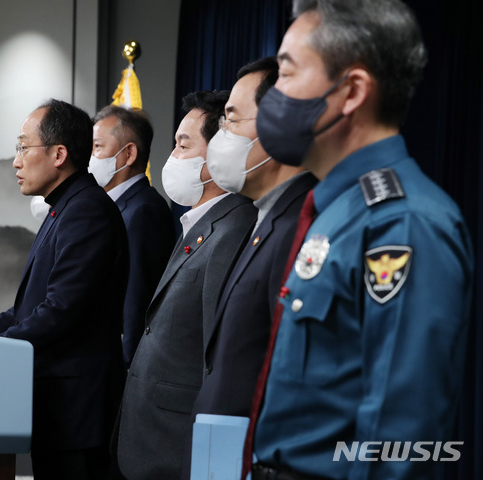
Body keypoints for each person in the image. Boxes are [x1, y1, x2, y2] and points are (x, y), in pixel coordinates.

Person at [245, 1, 474, 479]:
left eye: (286, 74)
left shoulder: (402, 224)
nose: (274, 95)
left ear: (351, 92)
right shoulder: (339, 209)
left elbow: (402, 443)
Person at [0, 99, 129, 480]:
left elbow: (58, 314)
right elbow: (22, 313)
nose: (15, 161)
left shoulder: (86, 212)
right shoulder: (62, 207)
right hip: (57, 408)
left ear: (58, 154)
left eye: (22, 147)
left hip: (76, 412)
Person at [184, 56, 317, 477]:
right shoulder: (266, 217)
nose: (221, 136)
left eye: (231, 120)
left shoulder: (301, 224)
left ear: (279, 124)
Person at [115, 90, 257, 480]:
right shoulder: (196, 224)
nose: (173, 156)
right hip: (149, 438)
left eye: (183, 144)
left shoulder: (234, 228)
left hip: (177, 445)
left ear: (218, 155)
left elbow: (219, 359)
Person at [91, 106, 175, 368]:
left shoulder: (143, 210)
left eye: (97, 147)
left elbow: (136, 297)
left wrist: (126, 366)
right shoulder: (111, 206)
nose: (89, 157)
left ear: (128, 153)